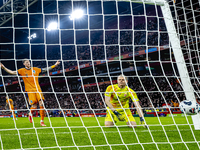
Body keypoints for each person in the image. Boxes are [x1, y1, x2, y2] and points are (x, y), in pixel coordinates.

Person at [0, 59, 60, 126]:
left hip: (38, 89)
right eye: (27, 62)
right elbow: (12, 72)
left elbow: (45, 69)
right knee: (34, 106)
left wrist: (55, 65)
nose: (28, 63)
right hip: (29, 90)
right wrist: (4, 68)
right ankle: (30, 114)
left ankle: (42, 121)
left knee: (41, 103)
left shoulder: (35, 69)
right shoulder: (22, 70)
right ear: (24, 64)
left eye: (29, 62)